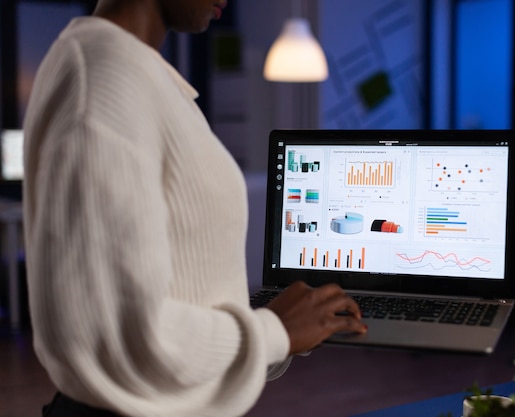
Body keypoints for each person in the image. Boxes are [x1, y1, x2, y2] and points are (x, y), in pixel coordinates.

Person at [22, 0, 367, 416]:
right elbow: (126, 334)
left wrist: (279, 329)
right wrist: (273, 331)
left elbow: (179, 294)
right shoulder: (103, 79)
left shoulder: (140, 73)